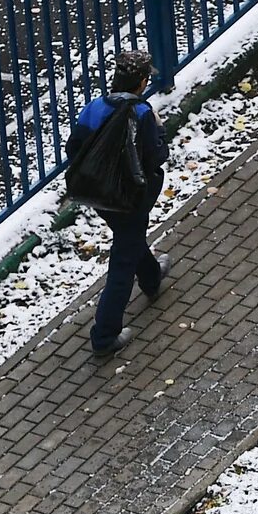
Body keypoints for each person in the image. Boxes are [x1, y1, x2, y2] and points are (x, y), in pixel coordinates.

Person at [68, 56, 169, 357]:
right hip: (132, 198)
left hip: (101, 195)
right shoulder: (141, 112)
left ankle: (151, 277)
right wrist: (160, 131)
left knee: (129, 238)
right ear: (141, 83)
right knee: (123, 261)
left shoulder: (94, 107)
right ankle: (105, 335)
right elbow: (156, 156)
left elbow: (74, 148)